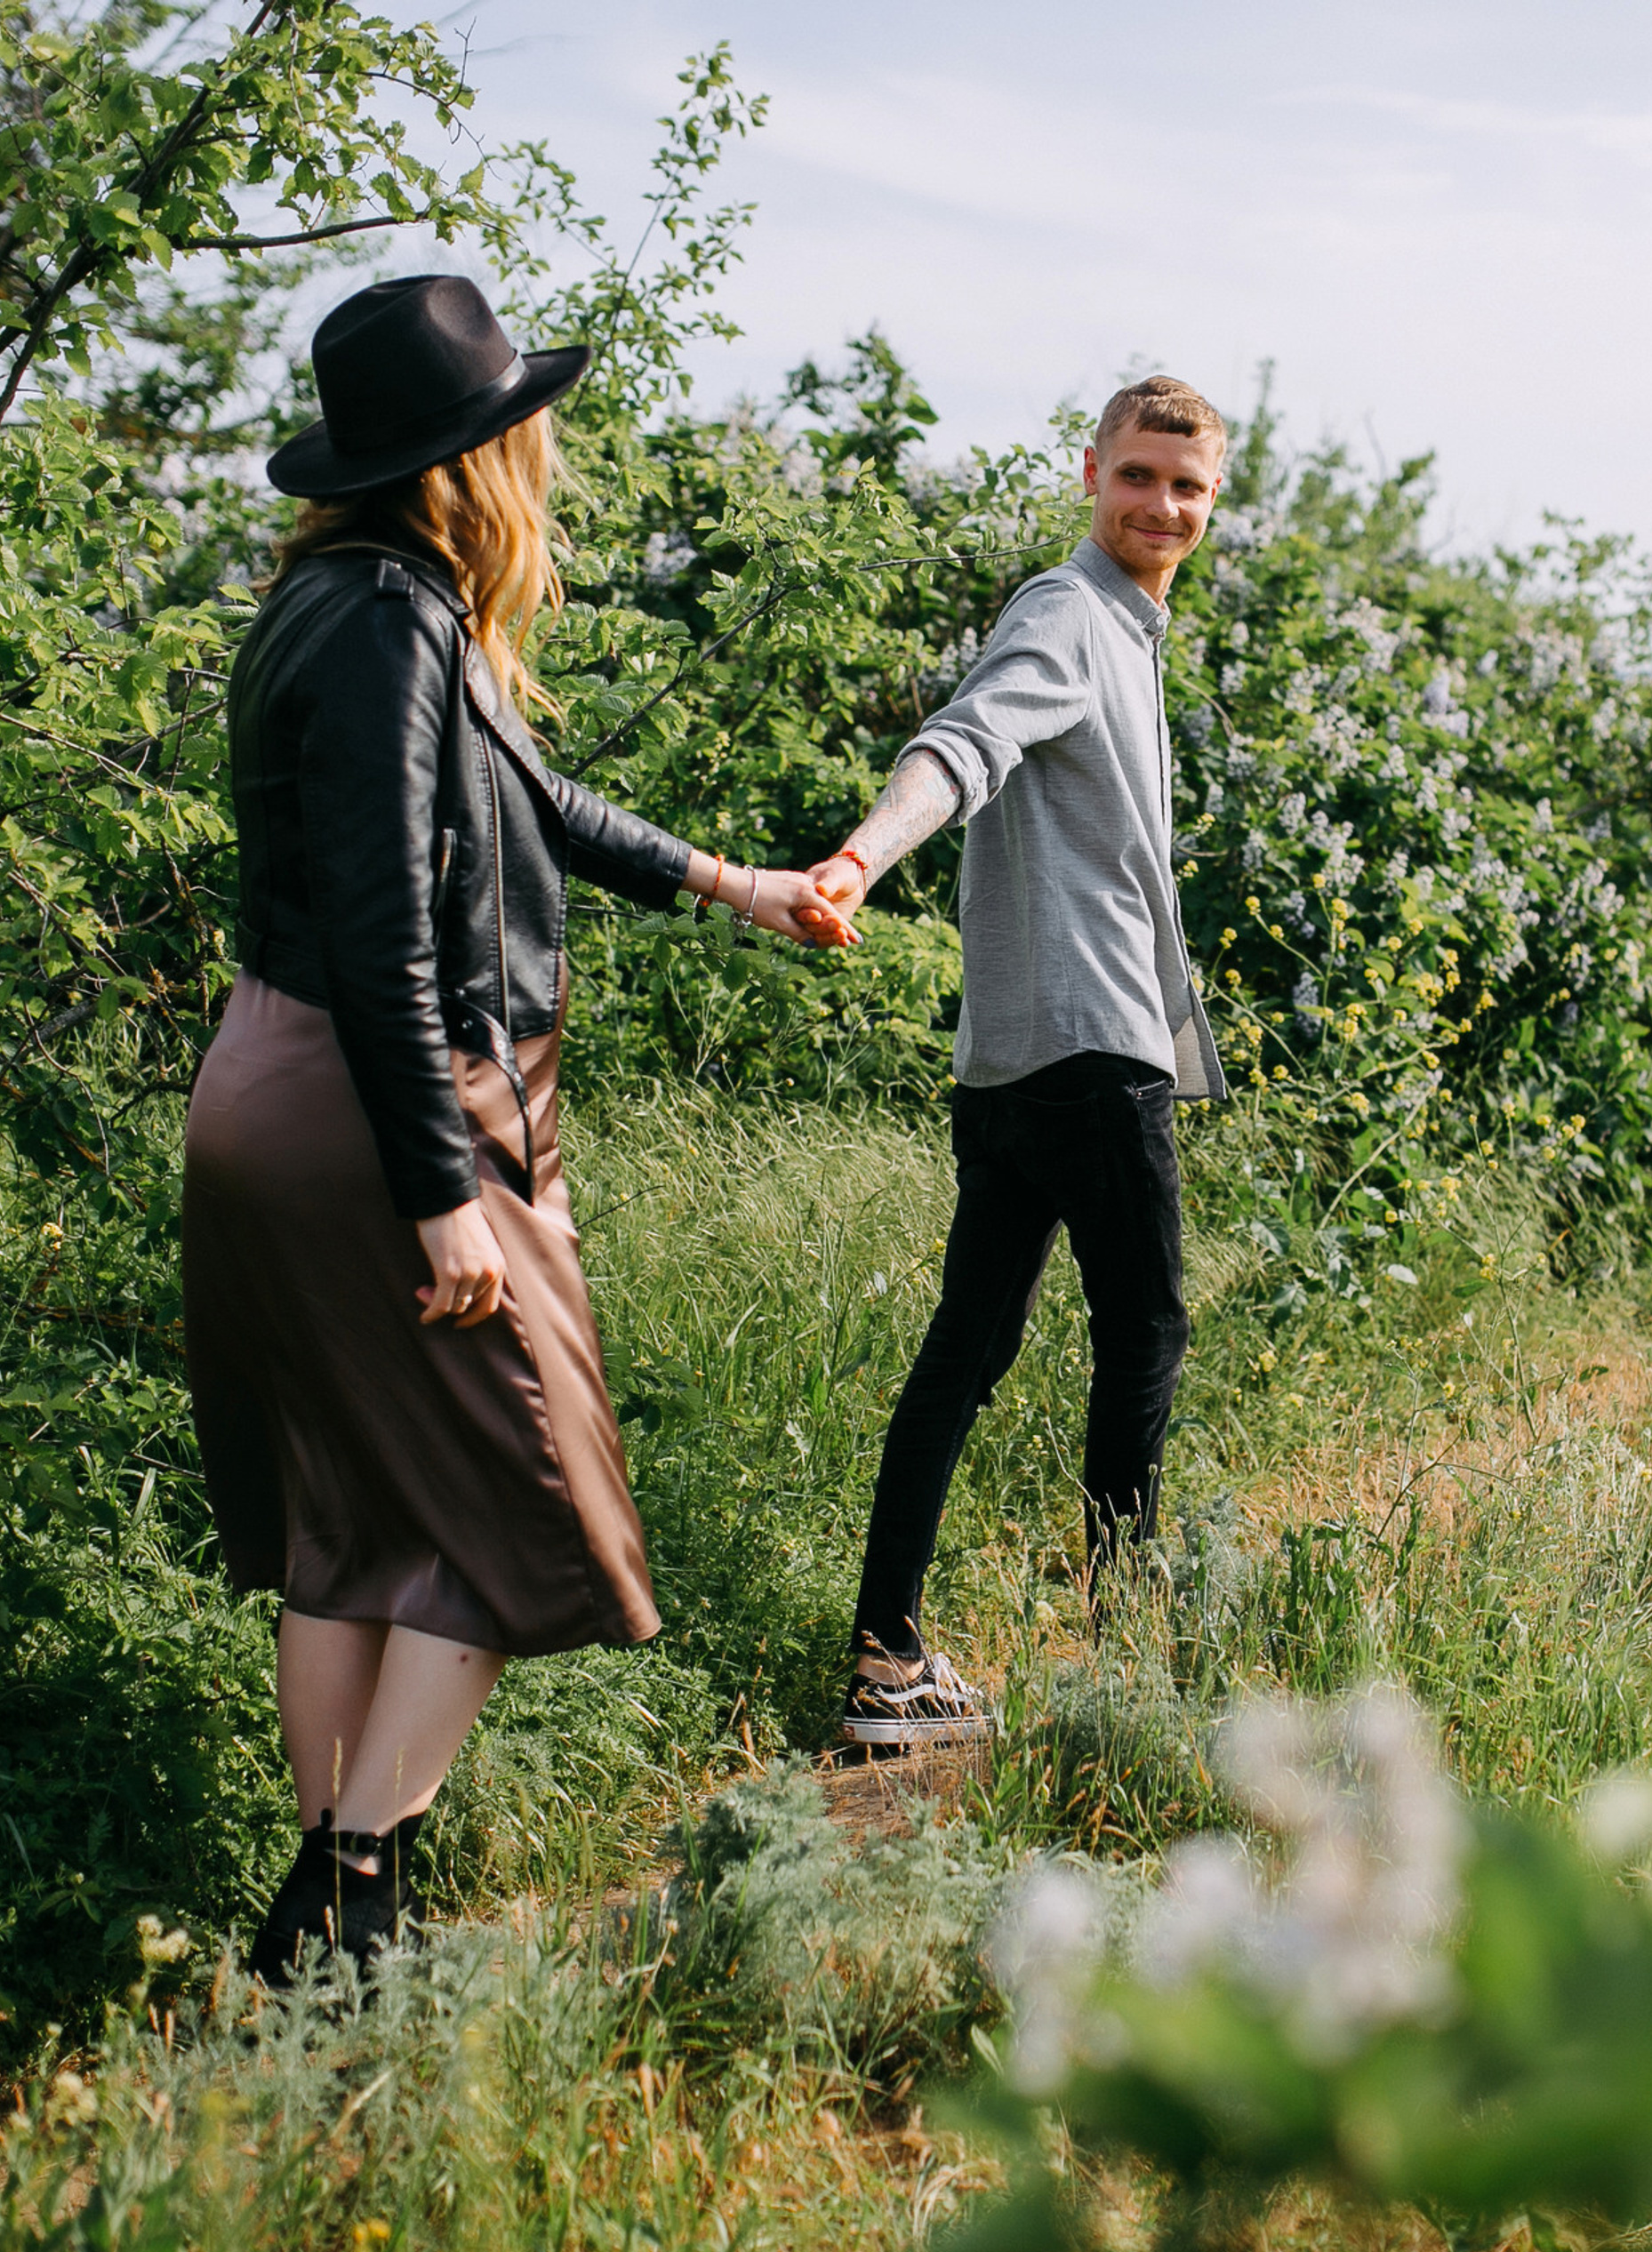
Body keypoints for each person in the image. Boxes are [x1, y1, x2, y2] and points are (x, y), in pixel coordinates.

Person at [184, 275, 842, 1980]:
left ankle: (337, 1935)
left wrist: (739, 885)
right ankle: (342, 1911)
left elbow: (528, 798)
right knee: (523, 1497)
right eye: (521, 428)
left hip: (269, 1076)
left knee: (358, 1520)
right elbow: (388, 934)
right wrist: (445, 1195)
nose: (544, 453)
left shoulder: (331, 600)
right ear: (467, 457)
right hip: (387, 1105)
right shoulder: (394, 622)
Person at [806, 375, 1230, 1749]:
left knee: (968, 1352)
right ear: (1092, 471)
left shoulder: (1126, 632)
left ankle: (886, 1665)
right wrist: (864, 855)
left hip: (1009, 1066)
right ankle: (1125, 1668)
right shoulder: (1068, 613)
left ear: (1212, 501)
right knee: (1145, 1332)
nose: (1161, 504)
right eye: (1139, 475)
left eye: (1188, 486)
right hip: (1092, 1052)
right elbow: (964, 746)